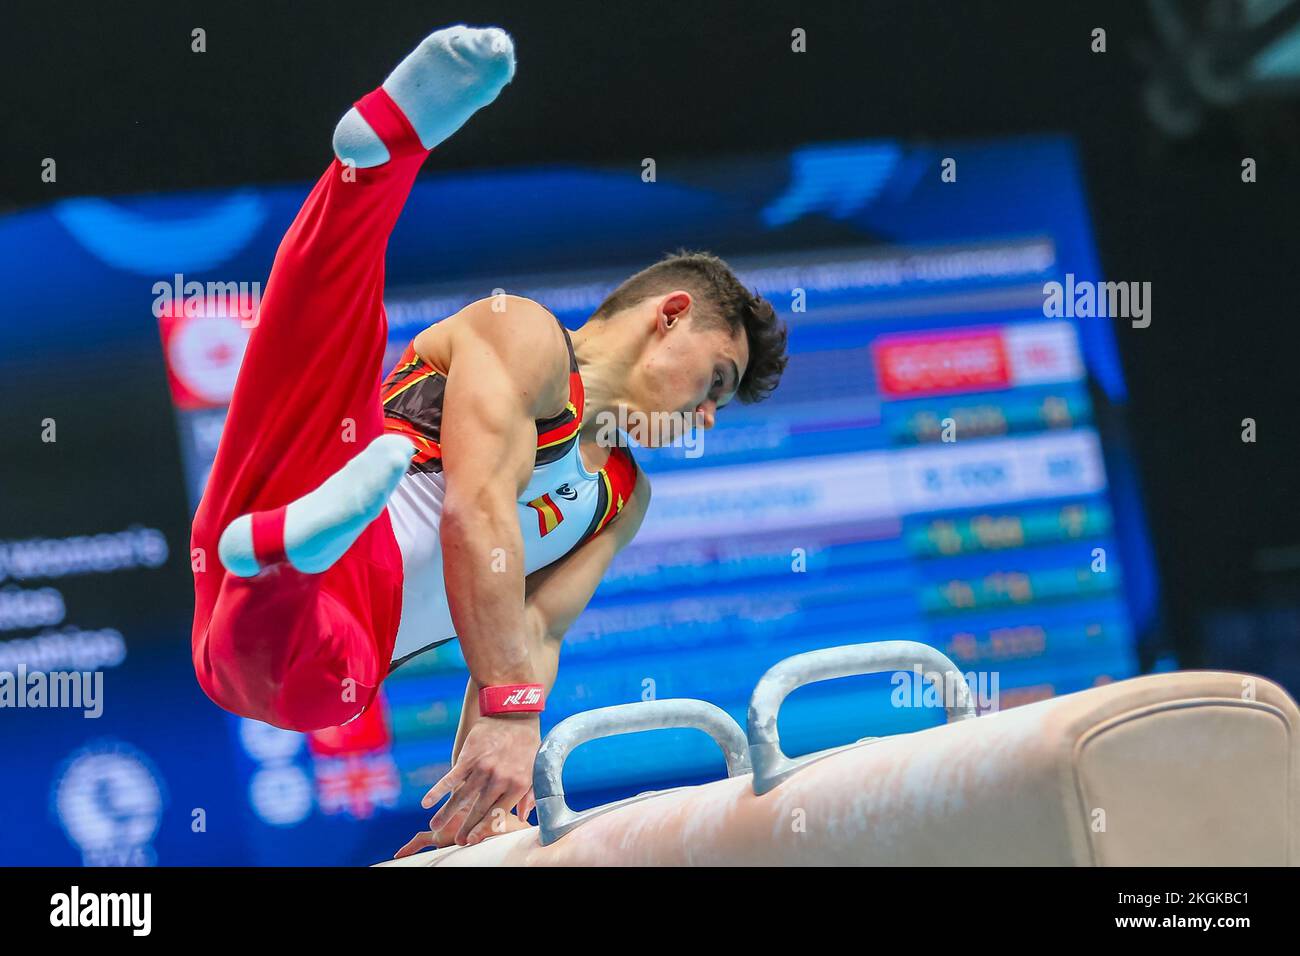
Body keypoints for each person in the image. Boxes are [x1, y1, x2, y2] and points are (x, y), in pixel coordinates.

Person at [188, 24, 789, 853]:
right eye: (716, 382)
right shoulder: (528, 337)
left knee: (325, 691)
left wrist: (490, 799)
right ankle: (380, 152)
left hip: (322, 629)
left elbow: (533, 632)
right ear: (671, 316)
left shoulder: (623, 495)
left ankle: (280, 555)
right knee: (315, 351)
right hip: (328, 472)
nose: (709, 417)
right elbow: (473, 511)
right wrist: (510, 707)